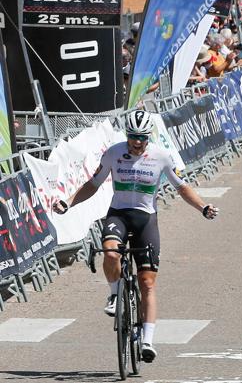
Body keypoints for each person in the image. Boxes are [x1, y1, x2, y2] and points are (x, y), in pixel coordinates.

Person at [52, 110, 219, 363]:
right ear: (126, 135)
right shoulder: (114, 153)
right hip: (118, 214)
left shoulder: (161, 156)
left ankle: (148, 340)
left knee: (147, 283)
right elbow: (92, 185)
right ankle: (114, 292)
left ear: (148, 136)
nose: (136, 142)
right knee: (110, 252)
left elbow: (182, 187)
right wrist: (68, 202)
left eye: (141, 137)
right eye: (132, 136)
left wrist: (203, 207)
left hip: (145, 220)